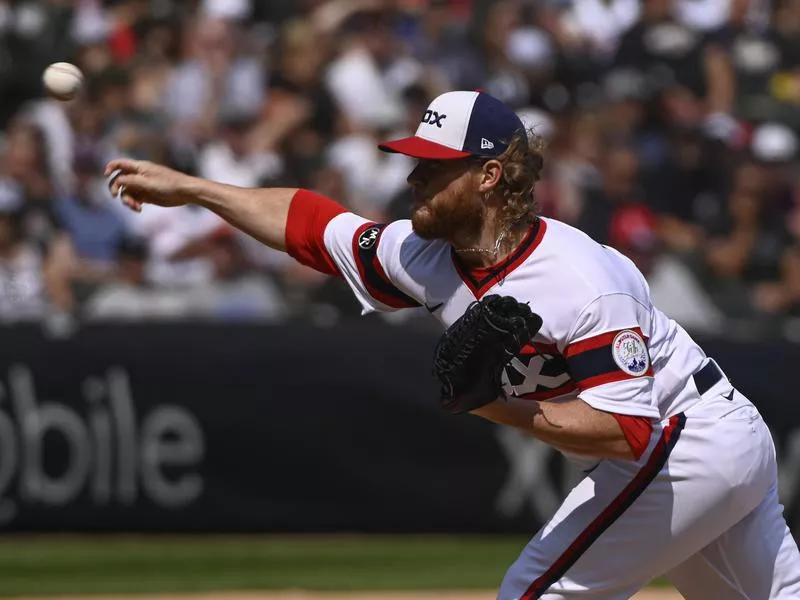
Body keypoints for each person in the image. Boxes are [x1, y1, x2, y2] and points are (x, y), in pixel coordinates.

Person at [106, 90, 800, 599]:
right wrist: (194, 189)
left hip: (687, 439)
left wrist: (490, 404)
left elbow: (625, 432)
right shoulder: (425, 252)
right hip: (708, 442)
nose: (414, 180)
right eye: (415, 163)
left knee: (533, 594)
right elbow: (312, 225)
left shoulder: (578, 279)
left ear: (490, 176)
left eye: (434, 168)